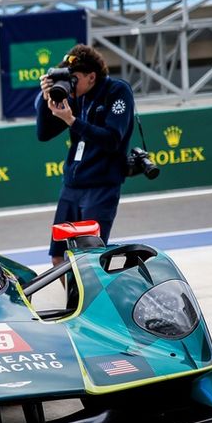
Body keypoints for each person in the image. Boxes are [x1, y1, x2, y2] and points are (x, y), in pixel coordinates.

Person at [36, 44, 135, 267]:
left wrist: (72, 121)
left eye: (74, 78)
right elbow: (43, 134)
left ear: (92, 76)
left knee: (90, 260)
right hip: (72, 186)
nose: (70, 84)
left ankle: (91, 302)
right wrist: (45, 101)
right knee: (59, 258)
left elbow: (112, 139)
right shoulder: (76, 95)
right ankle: (75, 302)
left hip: (101, 186)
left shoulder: (117, 91)